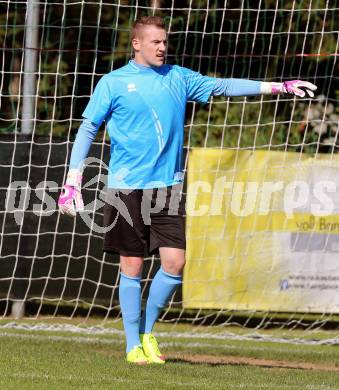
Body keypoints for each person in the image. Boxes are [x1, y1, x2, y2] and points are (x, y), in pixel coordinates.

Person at [58, 16, 317, 364]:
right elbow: (88, 128)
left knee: (175, 262)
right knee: (131, 266)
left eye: (165, 42)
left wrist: (277, 87)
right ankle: (133, 345)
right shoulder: (113, 82)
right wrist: (72, 179)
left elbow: (224, 85)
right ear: (137, 44)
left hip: (167, 187)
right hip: (124, 190)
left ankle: (148, 333)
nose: (162, 47)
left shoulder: (179, 78)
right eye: (155, 42)